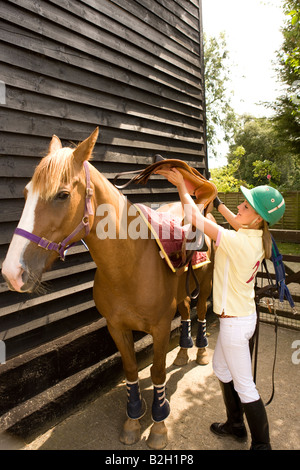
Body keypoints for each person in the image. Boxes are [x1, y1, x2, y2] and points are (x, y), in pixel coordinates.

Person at [156, 167, 285, 450]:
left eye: (246, 206)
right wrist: (220, 205)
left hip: (235, 323)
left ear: (258, 218)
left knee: (245, 385)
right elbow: (239, 224)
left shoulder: (238, 241)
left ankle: (262, 445)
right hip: (241, 317)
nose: (240, 205)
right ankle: (236, 425)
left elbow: (191, 216)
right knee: (220, 368)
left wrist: (181, 186)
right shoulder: (257, 237)